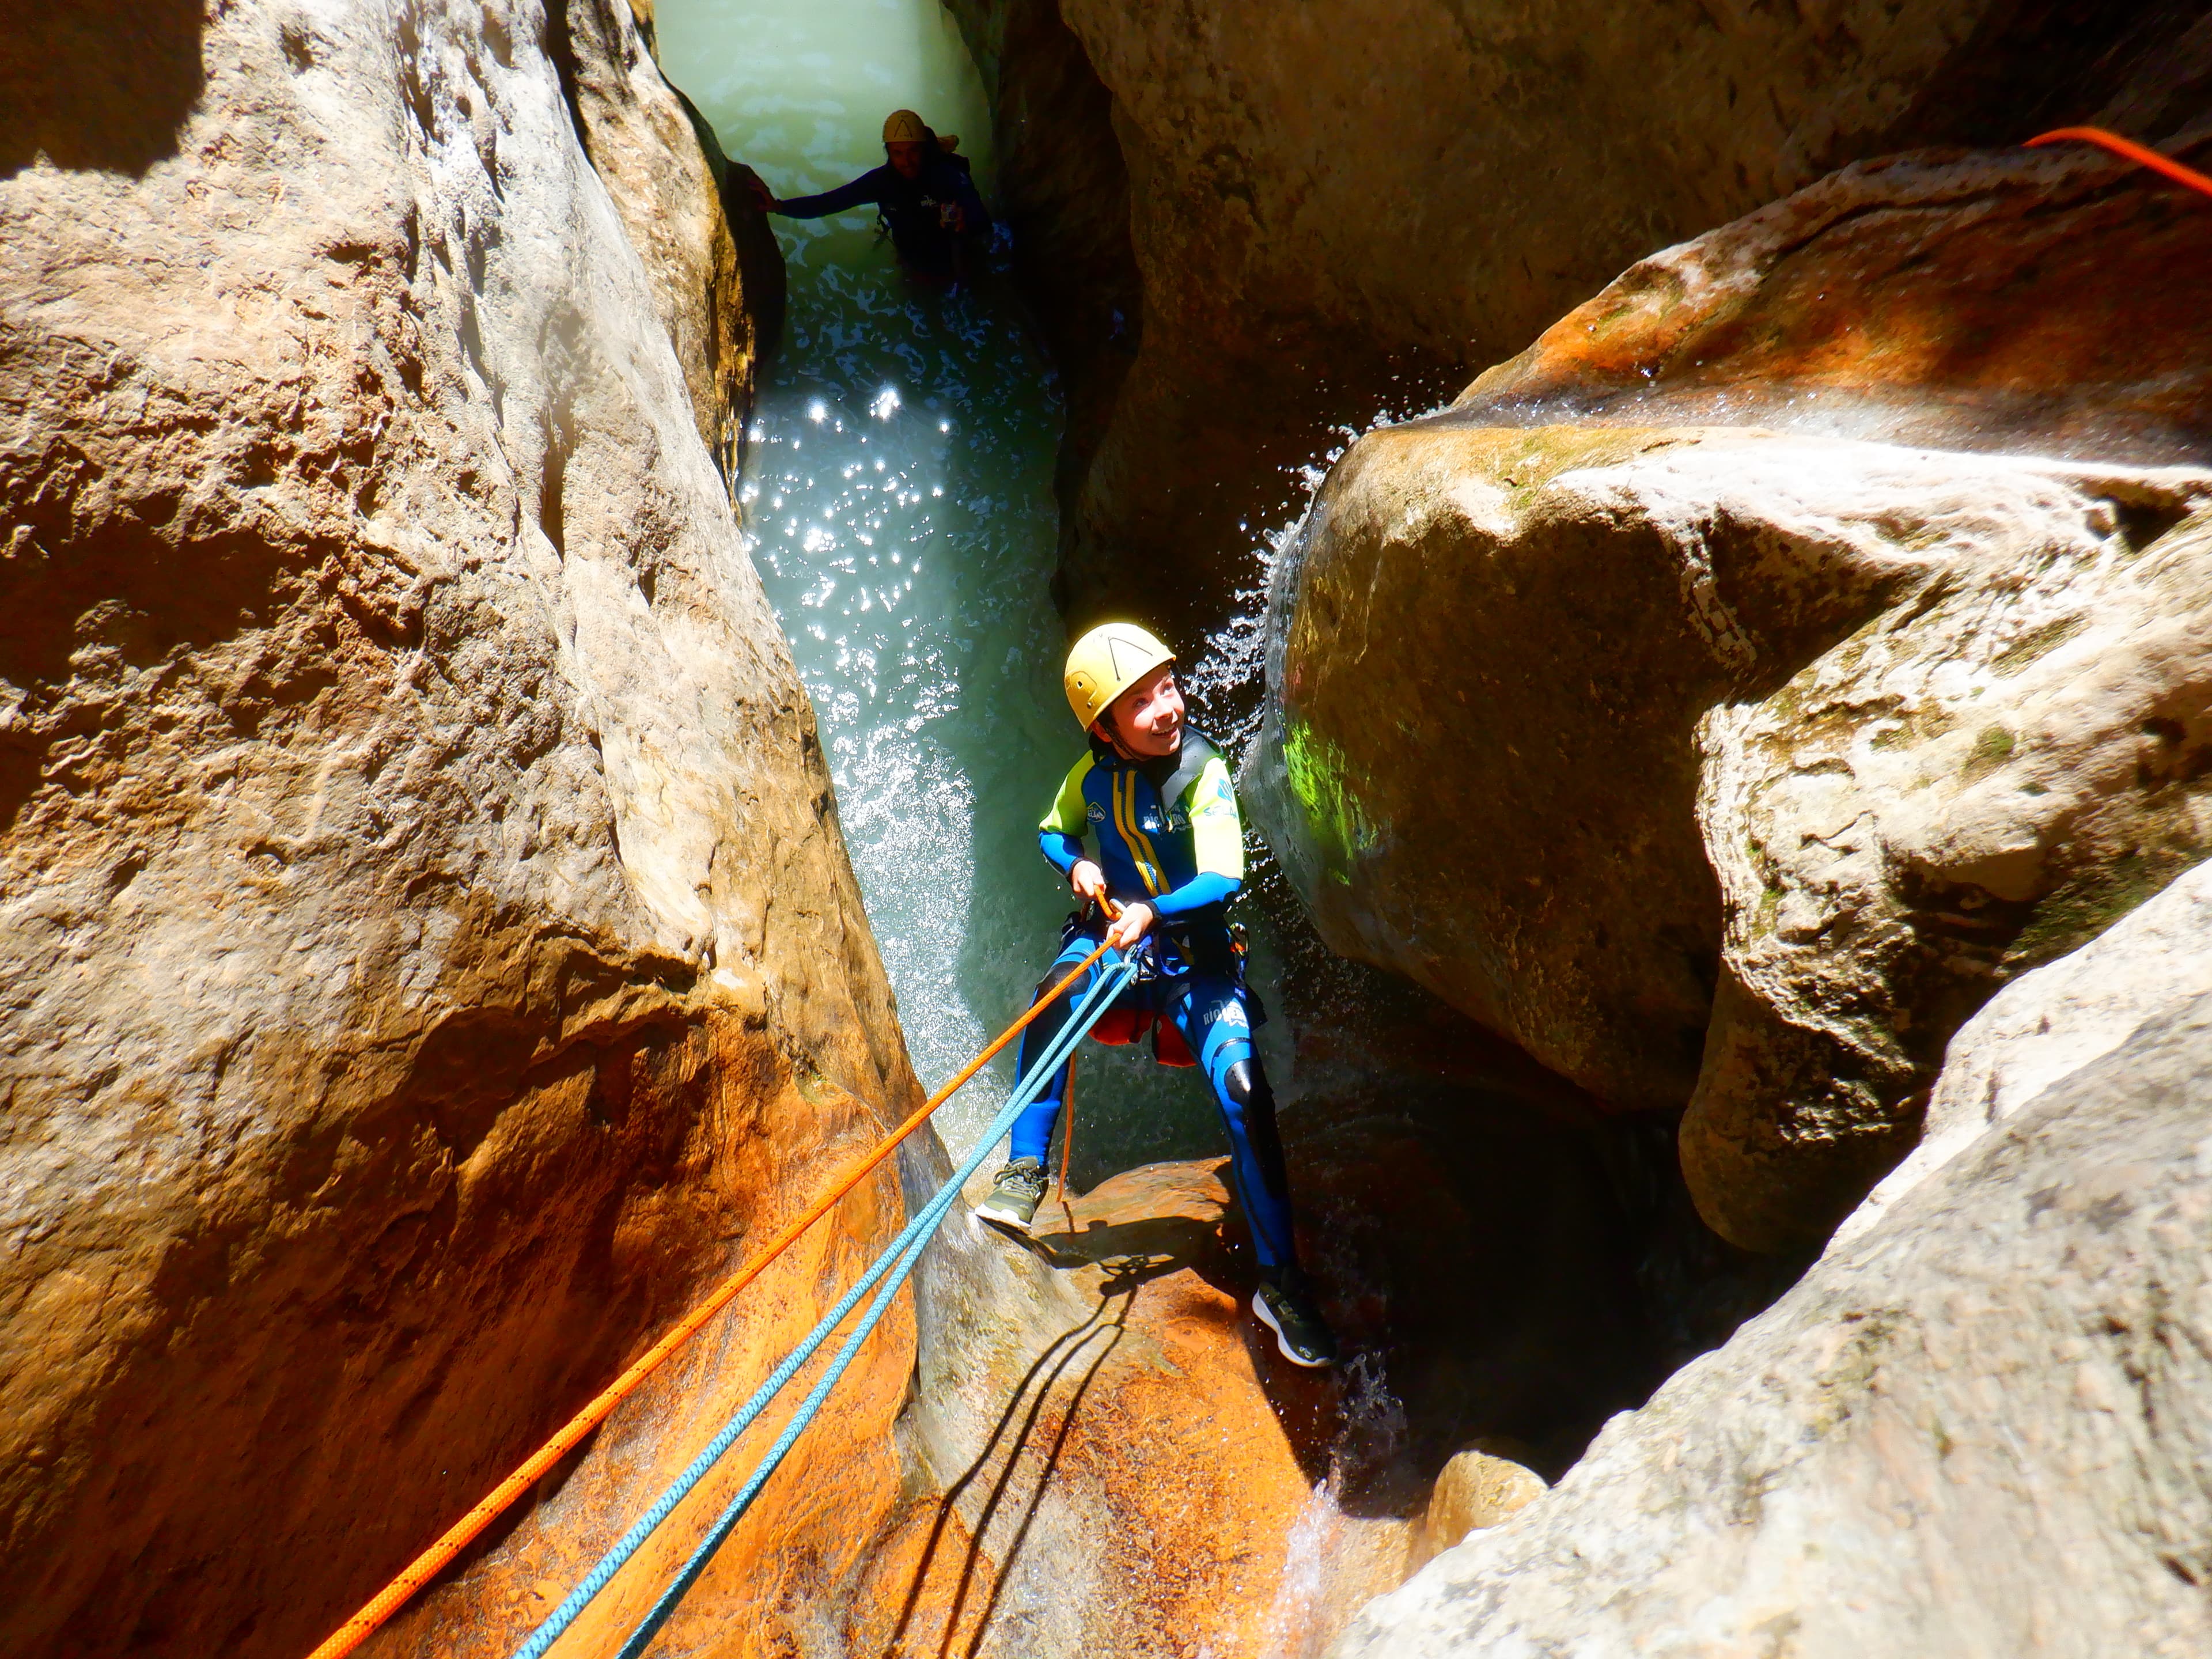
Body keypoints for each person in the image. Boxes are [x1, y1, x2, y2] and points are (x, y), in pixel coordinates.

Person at [973, 622, 1340, 1369]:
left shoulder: (1202, 772)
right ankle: (1024, 1170)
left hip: (1193, 956)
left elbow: (1222, 878)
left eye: (1168, 687)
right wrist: (1075, 864)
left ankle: (1283, 1285)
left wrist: (1154, 909)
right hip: (1111, 938)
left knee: (1245, 1090)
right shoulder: (1091, 778)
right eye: (1141, 701)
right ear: (1105, 728)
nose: (1167, 707)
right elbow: (1054, 831)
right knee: (1053, 1002)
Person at [752, 109, 992, 284]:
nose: (906, 162)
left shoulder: (948, 176)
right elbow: (829, 203)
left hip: (954, 254)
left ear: (924, 150)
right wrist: (778, 206)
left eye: (913, 152)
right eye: (898, 153)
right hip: (912, 257)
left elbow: (982, 220)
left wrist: (966, 221)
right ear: (888, 152)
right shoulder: (882, 182)